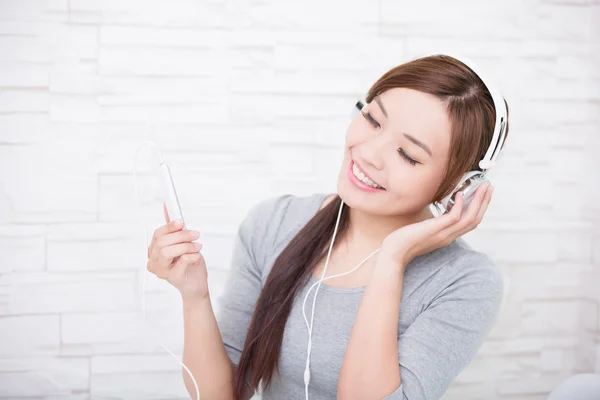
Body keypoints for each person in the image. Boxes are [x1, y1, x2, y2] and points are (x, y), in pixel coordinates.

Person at [146, 54, 510, 400]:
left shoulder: (465, 282)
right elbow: (221, 395)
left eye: (407, 155)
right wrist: (195, 297)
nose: (368, 153)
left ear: (458, 186)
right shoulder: (273, 223)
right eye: (372, 120)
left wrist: (392, 258)